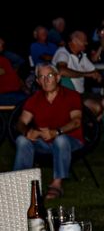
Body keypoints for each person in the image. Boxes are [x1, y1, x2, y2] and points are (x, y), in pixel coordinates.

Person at [11, 64, 83, 200]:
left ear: (58, 77)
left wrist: (56, 132)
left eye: (50, 76)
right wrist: (28, 131)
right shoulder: (35, 99)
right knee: (22, 140)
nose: (46, 80)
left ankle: (57, 184)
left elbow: (76, 121)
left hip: (70, 140)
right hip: (44, 141)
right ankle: (19, 183)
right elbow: (21, 122)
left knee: (60, 140)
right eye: (41, 77)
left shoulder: (71, 95)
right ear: (37, 81)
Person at [52, 31, 104, 120]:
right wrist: (87, 74)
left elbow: (93, 71)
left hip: (82, 94)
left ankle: (90, 125)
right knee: (97, 107)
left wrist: (97, 75)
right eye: (84, 40)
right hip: (69, 96)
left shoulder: (81, 56)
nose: (86, 43)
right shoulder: (63, 53)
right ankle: (87, 127)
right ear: (75, 41)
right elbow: (61, 71)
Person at [0, 38, 26, 107]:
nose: (2, 43)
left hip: (16, 92)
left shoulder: (4, 59)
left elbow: (13, 75)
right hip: (5, 94)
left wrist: (24, 87)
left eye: (2, 42)